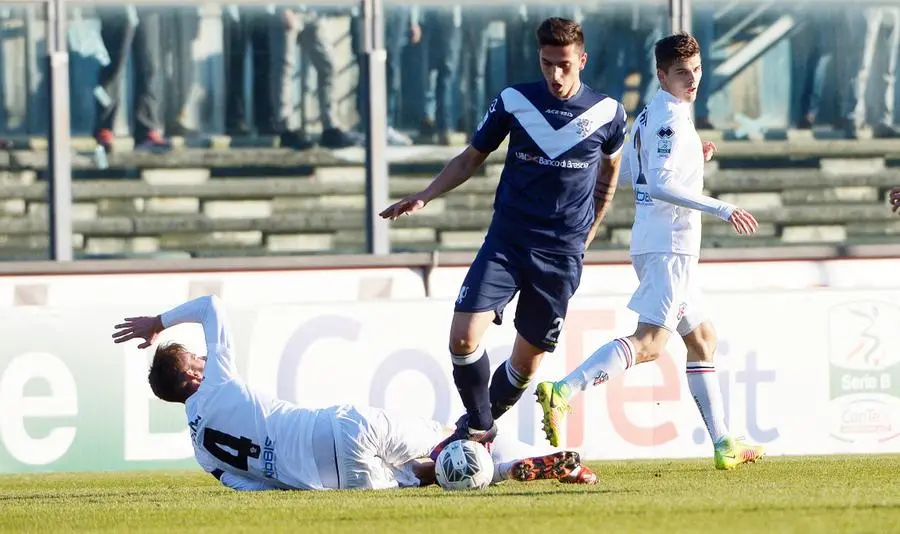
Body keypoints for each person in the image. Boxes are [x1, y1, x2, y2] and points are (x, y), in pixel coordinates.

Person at [379, 17, 626, 461]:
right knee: (461, 337)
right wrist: (426, 195)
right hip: (508, 241)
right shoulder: (515, 100)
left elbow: (610, 176)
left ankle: (471, 432)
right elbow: (471, 157)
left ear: (582, 60)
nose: (555, 75)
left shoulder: (608, 113)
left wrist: (587, 234)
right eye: (548, 63)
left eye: (564, 65)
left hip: (561, 254)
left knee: (525, 366)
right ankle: (479, 430)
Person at [535, 33, 765, 470]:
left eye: (696, 70)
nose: (692, 79)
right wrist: (723, 207)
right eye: (682, 72)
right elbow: (659, 184)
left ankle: (724, 444)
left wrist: (697, 160)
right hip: (670, 246)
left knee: (702, 340)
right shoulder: (669, 121)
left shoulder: (656, 113)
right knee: (651, 342)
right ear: (662, 74)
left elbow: (637, 173)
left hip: (657, 242)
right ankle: (564, 390)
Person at [111, 295, 598, 491]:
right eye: (195, 358)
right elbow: (213, 305)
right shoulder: (215, 380)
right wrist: (159, 322)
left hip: (326, 477)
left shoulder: (200, 452)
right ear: (192, 374)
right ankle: (554, 461)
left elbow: (252, 487)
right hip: (336, 425)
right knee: (452, 436)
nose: (202, 358)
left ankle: (509, 470)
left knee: (431, 477)